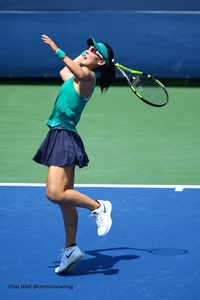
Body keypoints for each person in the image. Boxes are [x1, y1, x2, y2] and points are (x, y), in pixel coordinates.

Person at [33, 34, 116, 274]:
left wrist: (58, 50)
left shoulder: (87, 77)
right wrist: (90, 52)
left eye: (94, 51)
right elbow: (64, 73)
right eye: (89, 47)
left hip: (64, 136)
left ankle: (98, 206)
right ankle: (71, 249)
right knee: (64, 198)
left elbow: (78, 71)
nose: (88, 50)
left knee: (54, 193)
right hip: (60, 135)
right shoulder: (76, 77)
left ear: (101, 63)